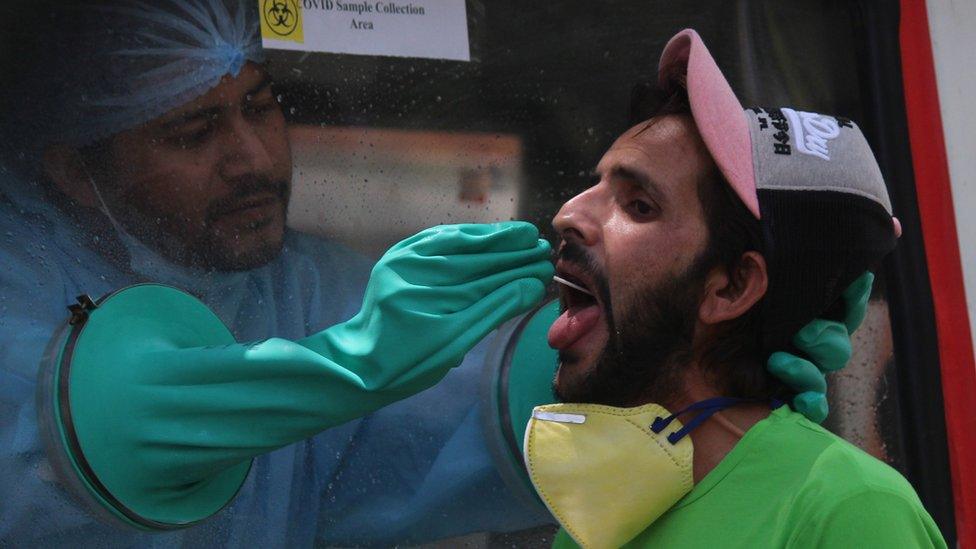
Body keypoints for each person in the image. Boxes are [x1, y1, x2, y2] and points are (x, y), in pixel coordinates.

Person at [0, 2, 863, 546]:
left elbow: (458, 416)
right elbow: (81, 418)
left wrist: (674, 356)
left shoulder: (302, 289)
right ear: (76, 171)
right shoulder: (16, 283)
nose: (253, 156)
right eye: (193, 135)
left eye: (261, 103)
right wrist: (351, 363)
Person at [523, 29, 946, 548]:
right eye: (597, 183)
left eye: (639, 205)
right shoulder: (599, 519)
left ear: (731, 288)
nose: (568, 214)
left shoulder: (845, 508)